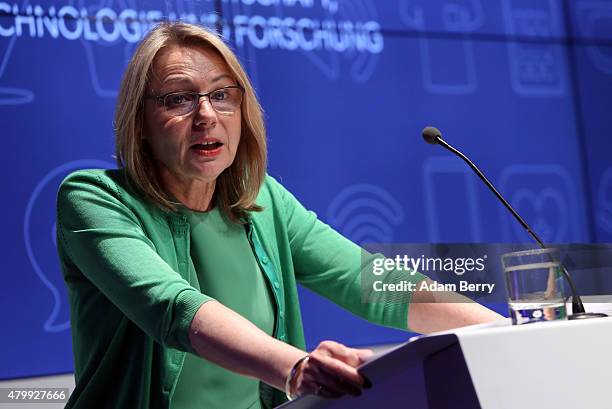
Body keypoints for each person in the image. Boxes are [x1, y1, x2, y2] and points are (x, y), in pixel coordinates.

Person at [56, 21, 502, 409]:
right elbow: (174, 307)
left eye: (222, 95)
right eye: (178, 100)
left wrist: (505, 333)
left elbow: (369, 281)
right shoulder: (93, 198)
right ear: (139, 123)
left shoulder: (262, 201)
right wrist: (295, 369)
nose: (207, 115)